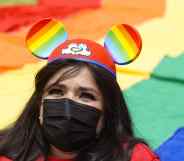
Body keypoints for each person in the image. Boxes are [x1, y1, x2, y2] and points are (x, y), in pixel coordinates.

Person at [0, 18, 159, 161]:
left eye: (86, 95)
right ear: (39, 103)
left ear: (109, 110)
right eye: (56, 92)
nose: (68, 104)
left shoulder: (135, 157)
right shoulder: (5, 153)